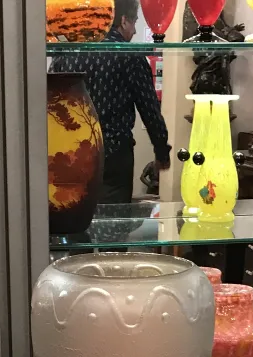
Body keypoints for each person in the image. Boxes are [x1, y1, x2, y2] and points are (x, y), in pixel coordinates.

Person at [51, 0, 170, 205]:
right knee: (113, 219)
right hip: (114, 153)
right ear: (123, 21)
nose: (133, 32)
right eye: (134, 23)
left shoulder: (68, 52)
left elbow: (53, 103)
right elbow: (150, 110)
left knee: (75, 212)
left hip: (73, 151)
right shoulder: (130, 56)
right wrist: (161, 152)